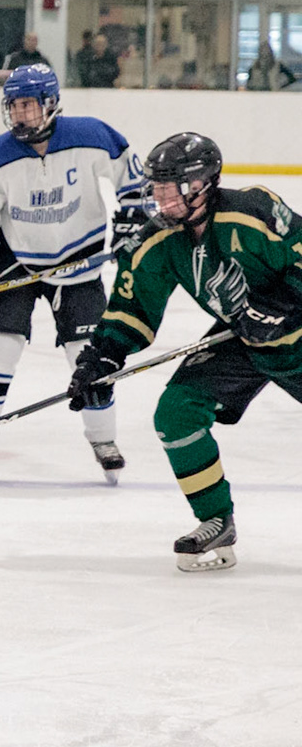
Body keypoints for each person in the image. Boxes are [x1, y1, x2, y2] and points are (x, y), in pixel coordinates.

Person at [68, 133, 302, 572]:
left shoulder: (252, 211)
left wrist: (283, 302)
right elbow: (131, 309)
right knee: (177, 412)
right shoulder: (158, 239)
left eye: (168, 187)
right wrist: (101, 358)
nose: (160, 197)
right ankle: (216, 518)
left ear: (201, 184)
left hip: (298, 336)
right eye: (155, 187)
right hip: (241, 340)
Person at [0, 63, 150, 478]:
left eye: (28, 105)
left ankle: (103, 438)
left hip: (79, 262)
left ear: (51, 103)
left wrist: (133, 219)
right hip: (16, 262)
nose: (19, 114)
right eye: (13, 106)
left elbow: (134, 178)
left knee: (89, 355)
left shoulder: (91, 135)